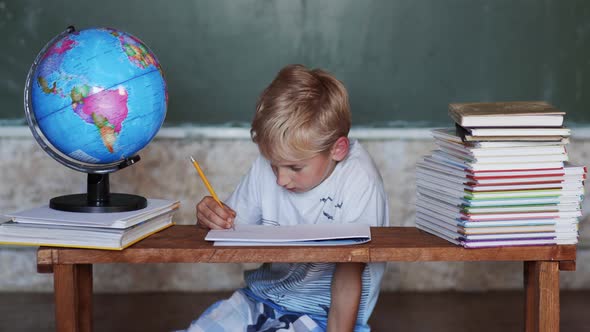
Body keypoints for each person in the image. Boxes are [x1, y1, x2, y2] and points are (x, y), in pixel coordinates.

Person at [187, 64, 389, 332]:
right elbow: (230, 229)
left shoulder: (359, 180)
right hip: (261, 300)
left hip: (324, 316)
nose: (280, 180)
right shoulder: (273, 161)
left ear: (337, 149)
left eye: (295, 168)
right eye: (273, 165)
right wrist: (211, 217)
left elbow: (348, 278)